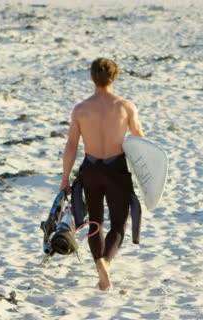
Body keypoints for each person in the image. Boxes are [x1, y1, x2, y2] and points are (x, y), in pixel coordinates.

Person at [59, 57, 145, 291]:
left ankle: (99, 263)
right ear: (114, 77)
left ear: (92, 78)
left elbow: (71, 146)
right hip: (117, 169)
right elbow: (139, 140)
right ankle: (106, 261)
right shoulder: (125, 106)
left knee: (95, 221)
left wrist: (65, 178)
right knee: (118, 224)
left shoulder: (81, 109)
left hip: (91, 170)